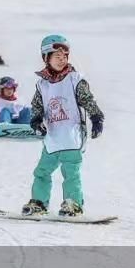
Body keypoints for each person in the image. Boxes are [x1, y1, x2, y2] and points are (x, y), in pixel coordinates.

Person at [21, 35, 104, 217]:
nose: (62, 59)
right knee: (41, 172)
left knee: (71, 173)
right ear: (46, 58)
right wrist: (35, 121)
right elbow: (37, 106)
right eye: (57, 56)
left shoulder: (74, 79)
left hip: (72, 137)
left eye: (64, 56)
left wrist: (96, 117)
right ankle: (39, 203)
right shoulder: (42, 84)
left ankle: (73, 203)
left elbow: (88, 100)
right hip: (52, 139)